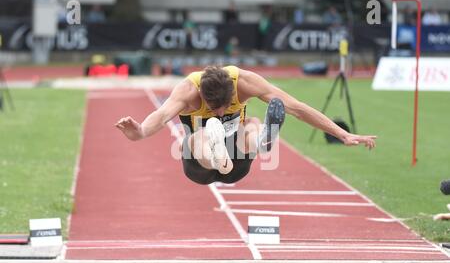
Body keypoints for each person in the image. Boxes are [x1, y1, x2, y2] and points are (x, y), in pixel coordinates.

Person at [115, 65, 377, 185]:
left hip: (239, 161)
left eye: (224, 106)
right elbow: (160, 117)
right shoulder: (188, 90)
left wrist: (342, 134)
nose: (219, 112)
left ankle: (263, 141)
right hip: (198, 165)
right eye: (213, 107)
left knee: (251, 123)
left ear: (233, 90)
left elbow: (295, 107)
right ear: (203, 95)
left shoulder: (245, 82)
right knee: (198, 137)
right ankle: (216, 156)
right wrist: (138, 133)